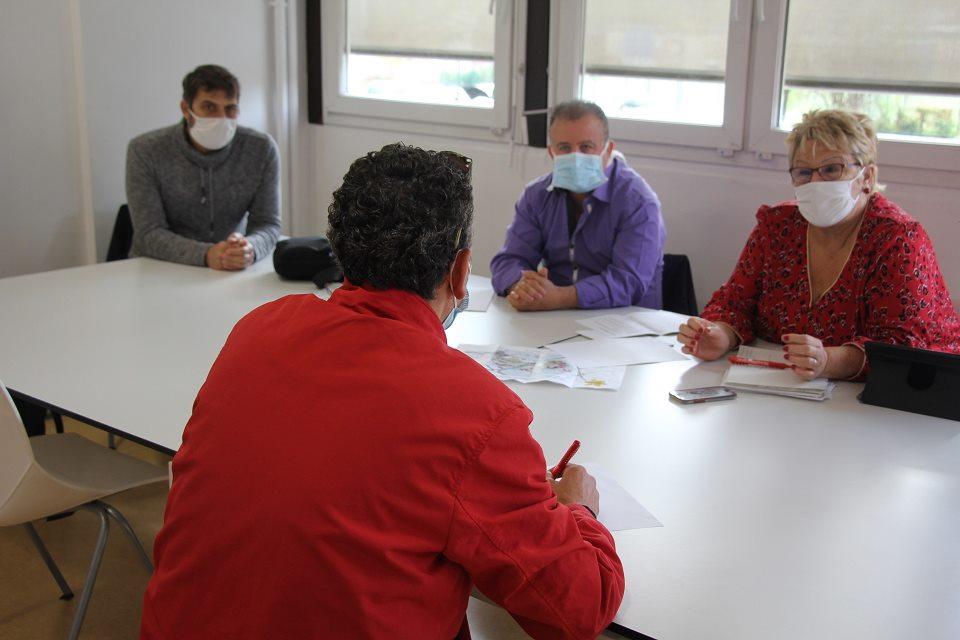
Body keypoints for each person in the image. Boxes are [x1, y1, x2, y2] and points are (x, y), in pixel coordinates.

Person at [141, 144, 625, 639]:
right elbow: (579, 608)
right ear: (460, 273)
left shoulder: (258, 329)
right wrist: (579, 509)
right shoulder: (473, 410)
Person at [679, 109, 960, 380]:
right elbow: (735, 302)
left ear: (867, 177)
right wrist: (720, 334)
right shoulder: (777, 225)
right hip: (787, 387)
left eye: (831, 169)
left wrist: (829, 361)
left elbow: (901, 346)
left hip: (905, 398)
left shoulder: (897, 238)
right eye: (803, 172)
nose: (816, 182)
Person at [490, 100, 665, 311]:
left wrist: (560, 298)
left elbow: (629, 282)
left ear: (608, 150)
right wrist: (522, 286)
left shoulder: (638, 202)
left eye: (586, 147)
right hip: (555, 320)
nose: (575, 156)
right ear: (551, 153)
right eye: (564, 147)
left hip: (625, 324)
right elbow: (508, 261)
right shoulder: (536, 195)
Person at [125, 64, 280, 270]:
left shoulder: (261, 149)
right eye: (209, 107)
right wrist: (206, 255)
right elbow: (148, 233)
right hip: (158, 268)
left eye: (230, 109)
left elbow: (268, 223)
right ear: (186, 109)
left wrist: (250, 248)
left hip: (230, 268)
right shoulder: (146, 150)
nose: (220, 117)